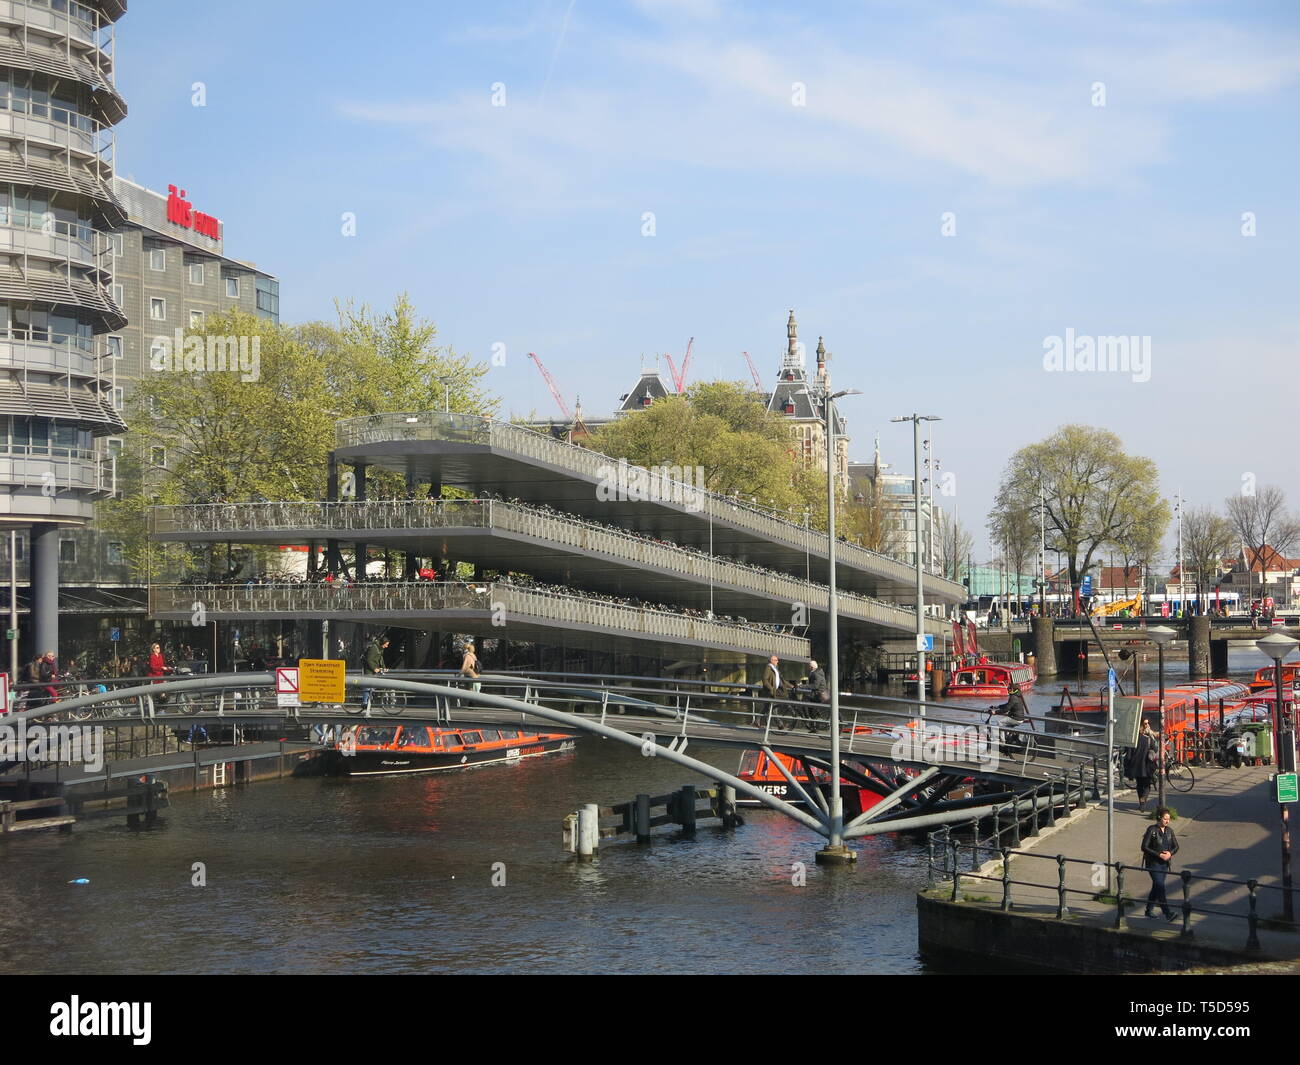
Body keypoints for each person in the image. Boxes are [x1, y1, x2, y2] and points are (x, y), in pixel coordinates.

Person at [1140, 807, 1180, 921]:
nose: (1167, 821)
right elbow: (1144, 847)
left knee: (1157, 887)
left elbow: (1176, 846)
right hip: (1153, 863)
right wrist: (1159, 854)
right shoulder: (1152, 830)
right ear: (1159, 818)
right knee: (1160, 887)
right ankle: (1167, 913)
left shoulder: (1169, 831)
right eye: (1165, 819)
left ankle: (1148, 910)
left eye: (1169, 819)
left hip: (1164, 864)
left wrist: (1170, 853)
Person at [1125, 720, 1159, 810]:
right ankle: (1143, 799)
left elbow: (1128, 755)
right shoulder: (1148, 739)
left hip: (1136, 766)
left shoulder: (1132, 740)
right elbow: (1155, 749)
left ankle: (1141, 802)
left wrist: (1127, 766)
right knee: (1147, 785)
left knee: (1139, 784)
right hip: (1147, 765)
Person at [362, 636, 389, 711]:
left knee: (372, 686)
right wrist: (374, 668)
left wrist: (384, 667)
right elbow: (369, 660)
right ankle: (364, 702)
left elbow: (381, 659)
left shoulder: (380, 649)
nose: (386, 646)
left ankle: (369, 702)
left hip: (374, 669)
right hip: (369, 669)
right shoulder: (373, 648)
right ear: (382, 643)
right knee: (368, 685)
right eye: (386, 644)